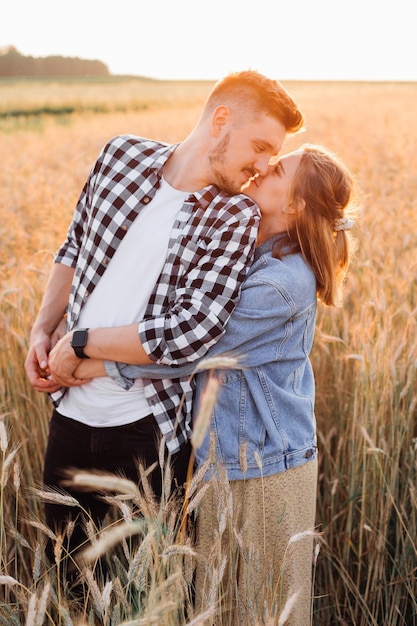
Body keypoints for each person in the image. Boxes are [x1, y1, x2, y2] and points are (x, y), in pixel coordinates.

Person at [65, 143, 359, 624]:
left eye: (279, 169)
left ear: (295, 206)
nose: (263, 167)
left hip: (266, 468)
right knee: (218, 606)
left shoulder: (285, 282)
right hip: (222, 462)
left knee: (267, 610)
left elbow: (195, 348)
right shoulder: (257, 248)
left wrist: (92, 359)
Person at [24, 70, 304, 572]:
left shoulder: (233, 215)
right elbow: (75, 241)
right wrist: (43, 329)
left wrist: (82, 344)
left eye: (272, 156)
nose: (262, 167)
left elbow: (189, 334)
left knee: (139, 594)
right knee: (64, 580)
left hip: (147, 433)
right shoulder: (120, 156)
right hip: (68, 415)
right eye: (259, 146)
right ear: (221, 121)